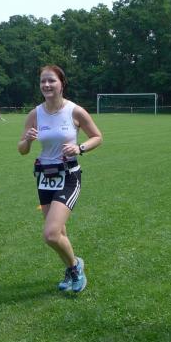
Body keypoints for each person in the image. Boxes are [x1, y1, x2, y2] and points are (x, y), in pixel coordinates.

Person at [18, 65, 103, 293]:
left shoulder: (75, 111)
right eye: (43, 81)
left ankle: (75, 268)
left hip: (69, 175)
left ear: (61, 83)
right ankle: (71, 268)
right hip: (44, 177)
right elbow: (22, 150)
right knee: (60, 232)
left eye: (51, 81)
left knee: (51, 233)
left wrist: (80, 147)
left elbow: (97, 137)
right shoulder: (35, 114)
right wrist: (27, 140)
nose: (46, 85)